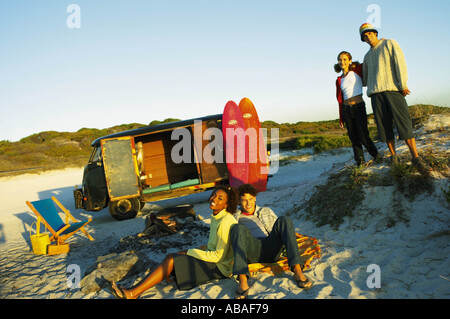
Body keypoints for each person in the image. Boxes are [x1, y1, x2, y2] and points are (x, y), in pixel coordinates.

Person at [110, 185, 238, 299]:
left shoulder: (225, 221)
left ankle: (132, 294)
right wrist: (194, 251)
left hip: (221, 267)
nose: (214, 199)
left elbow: (218, 256)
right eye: (214, 195)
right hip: (215, 260)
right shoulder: (218, 216)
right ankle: (133, 291)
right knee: (173, 257)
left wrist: (189, 252)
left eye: (220, 198)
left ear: (227, 204)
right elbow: (212, 246)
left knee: (171, 259)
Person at [359, 23, 431, 171]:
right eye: (364, 36)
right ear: (364, 39)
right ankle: (394, 157)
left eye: (369, 34)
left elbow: (400, 63)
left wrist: (402, 84)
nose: (368, 37)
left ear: (375, 33)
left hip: (393, 90)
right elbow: (365, 80)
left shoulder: (389, 43)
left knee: (404, 123)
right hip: (375, 94)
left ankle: (416, 157)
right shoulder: (366, 56)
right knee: (384, 128)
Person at [230, 184, 312, 299]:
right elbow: (232, 238)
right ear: (239, 202)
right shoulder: (234, 217)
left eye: (250, 199)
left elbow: (278, 231)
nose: (248, 203)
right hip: (252, 250)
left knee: (284, 220)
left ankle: (297, 270)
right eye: (244, 200)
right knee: (238, 228)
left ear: (255, 198)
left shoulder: (266, 211)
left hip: (270, 247)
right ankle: (242, 280)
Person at [335, 51, 380, 166]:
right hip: (346, 110)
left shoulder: (357, 70)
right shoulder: (339, 80)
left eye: (345, 59)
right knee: (354, 138)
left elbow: (369, 61)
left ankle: (376, 156)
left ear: (350, 60)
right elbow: (340, 101)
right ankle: (360, 162)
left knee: (364, 137)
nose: (342, 62)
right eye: (340, 60)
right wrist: (341, 118)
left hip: (359, 107)